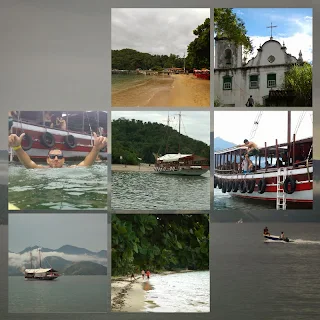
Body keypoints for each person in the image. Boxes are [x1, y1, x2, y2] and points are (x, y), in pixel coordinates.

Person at [8, 132, 107, 169]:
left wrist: (96, 148)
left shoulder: (69, 168)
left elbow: (86, 164)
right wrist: (17, 148)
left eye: (59, 157)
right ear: (47, 160)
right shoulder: (43, 169)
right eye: (52, 156)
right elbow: (28, 164)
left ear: (63, 160)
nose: (56, 159)